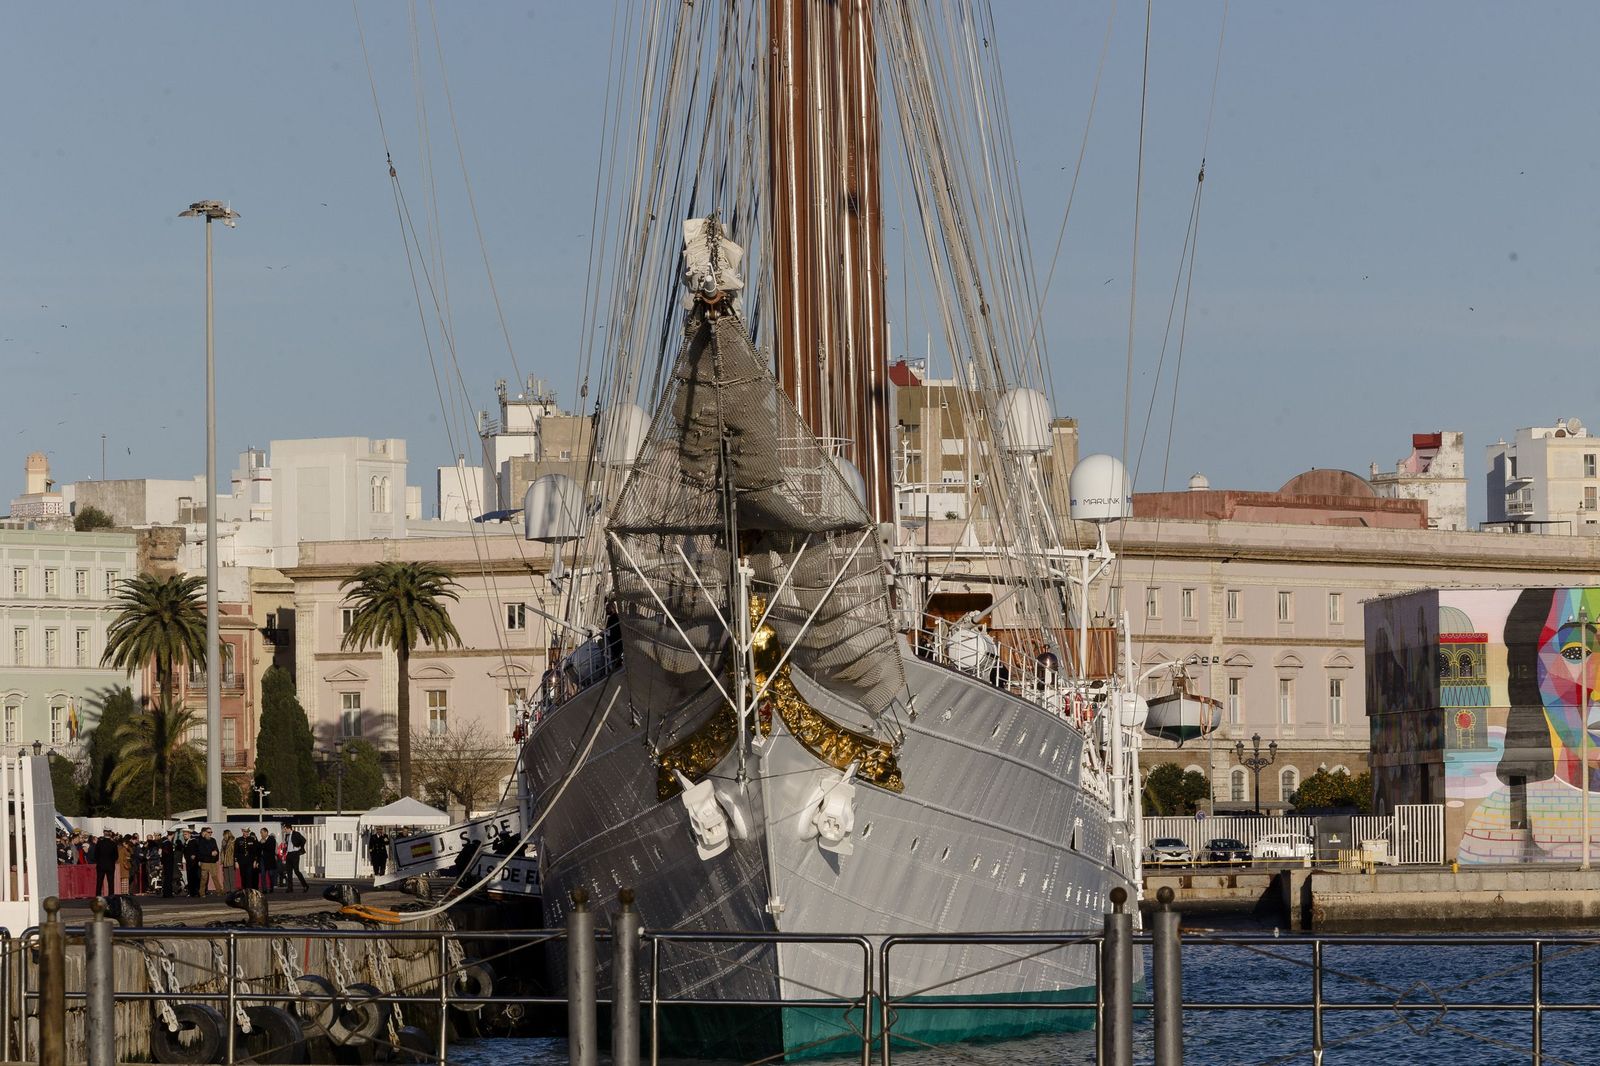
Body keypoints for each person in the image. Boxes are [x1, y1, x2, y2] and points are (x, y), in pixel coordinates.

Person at [91, 833, 119, 898]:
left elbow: (95, 855)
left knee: (99, 882)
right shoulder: (113, 844)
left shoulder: (99, 843)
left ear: (104, 834)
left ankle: (98, 897)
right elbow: (116, 856)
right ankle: (111, 897)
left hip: (101, 865)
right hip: (110, 865)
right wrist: (112, 861)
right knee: (111, 882)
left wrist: (99, 861)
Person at [282, 823, 308, 892]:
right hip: (289, 854)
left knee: (296, 871)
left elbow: (304, 840)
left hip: (295, 853)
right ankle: (290, 888)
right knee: (289, 872)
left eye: (285, 829)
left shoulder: (296, 834)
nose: (284, 831)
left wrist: (299, 847)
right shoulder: (286, 836)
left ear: (288, 828)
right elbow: (287, 844)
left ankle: (305, 885)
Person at [198, 828, 222, 896]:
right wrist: (210, 853)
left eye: (211, 832)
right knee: (204, 878)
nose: (210, 833)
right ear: (205, 833)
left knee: (215, 877)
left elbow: (216, 848)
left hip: (212, 862)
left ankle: (219, 891)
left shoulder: (213, 840)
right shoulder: (201, 841)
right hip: (205, 862)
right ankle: (202, 893)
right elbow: (201, 851)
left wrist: (216, 854)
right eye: (209, 832)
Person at [181, 829, 203, 897]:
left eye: (186, 834)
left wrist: (195, 856)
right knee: (189, 877)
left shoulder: (193, 841)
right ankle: (191, 892)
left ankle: (196, 892)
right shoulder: (185, 843)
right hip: (188, 863)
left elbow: (198, 850)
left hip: (194, 863)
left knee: (195, 877)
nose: (184, 836)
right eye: (184, 834)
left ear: (190, 834)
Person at [258, 828, 278, 893]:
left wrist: (263, 844)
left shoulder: (272, 839)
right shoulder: (261, 840)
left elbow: (270, 848)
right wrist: (261, 844)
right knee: (263, 874)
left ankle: (271, 887)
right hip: (262, 860)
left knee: (271, 874)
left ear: (266, 832)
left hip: (270, 860)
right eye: (260, 833)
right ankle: (264, 889)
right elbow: (259, 848)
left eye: (262, 832)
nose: (261, 834)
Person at [159, 831, 177, 898]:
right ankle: (168, 893)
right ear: (172, 835)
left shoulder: (164, 843)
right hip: (168, 863)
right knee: (168, 878)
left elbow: (162, 854)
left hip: (166, 863)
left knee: (166, 878)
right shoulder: (168, 843)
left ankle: (166, 893)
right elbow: (167, 854)